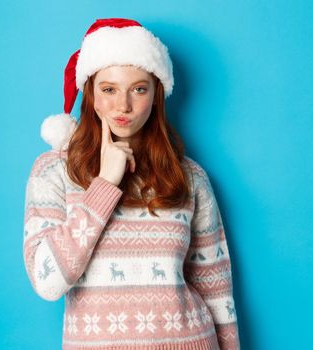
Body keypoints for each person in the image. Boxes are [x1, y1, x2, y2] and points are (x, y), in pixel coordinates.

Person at [23, 18, 240, 350]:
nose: (123, 105)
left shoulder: (189, 176)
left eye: (139, 88)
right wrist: (106, 184)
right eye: (109, 89)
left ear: (156, 95)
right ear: (91, 95)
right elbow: (47, 282)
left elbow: (216, 286)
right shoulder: (52, 171)